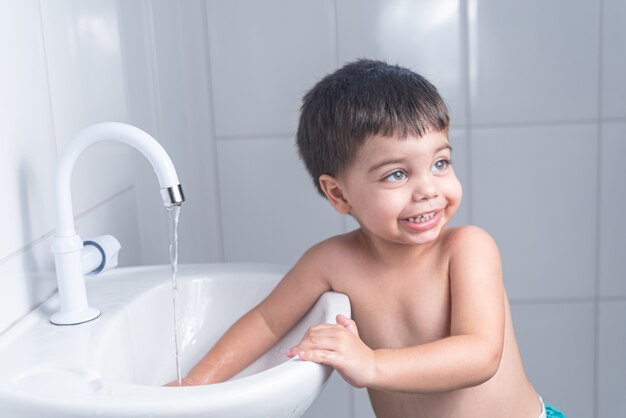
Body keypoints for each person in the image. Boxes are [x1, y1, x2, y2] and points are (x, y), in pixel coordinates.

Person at [171, 59, 565, 418]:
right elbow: (265, 322)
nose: (428, 189)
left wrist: (371, 363)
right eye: (397, 174)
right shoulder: (331, 263)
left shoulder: (467, 249)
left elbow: (480, 355)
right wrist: (195, 385)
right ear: (339, 194)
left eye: (440, 163)